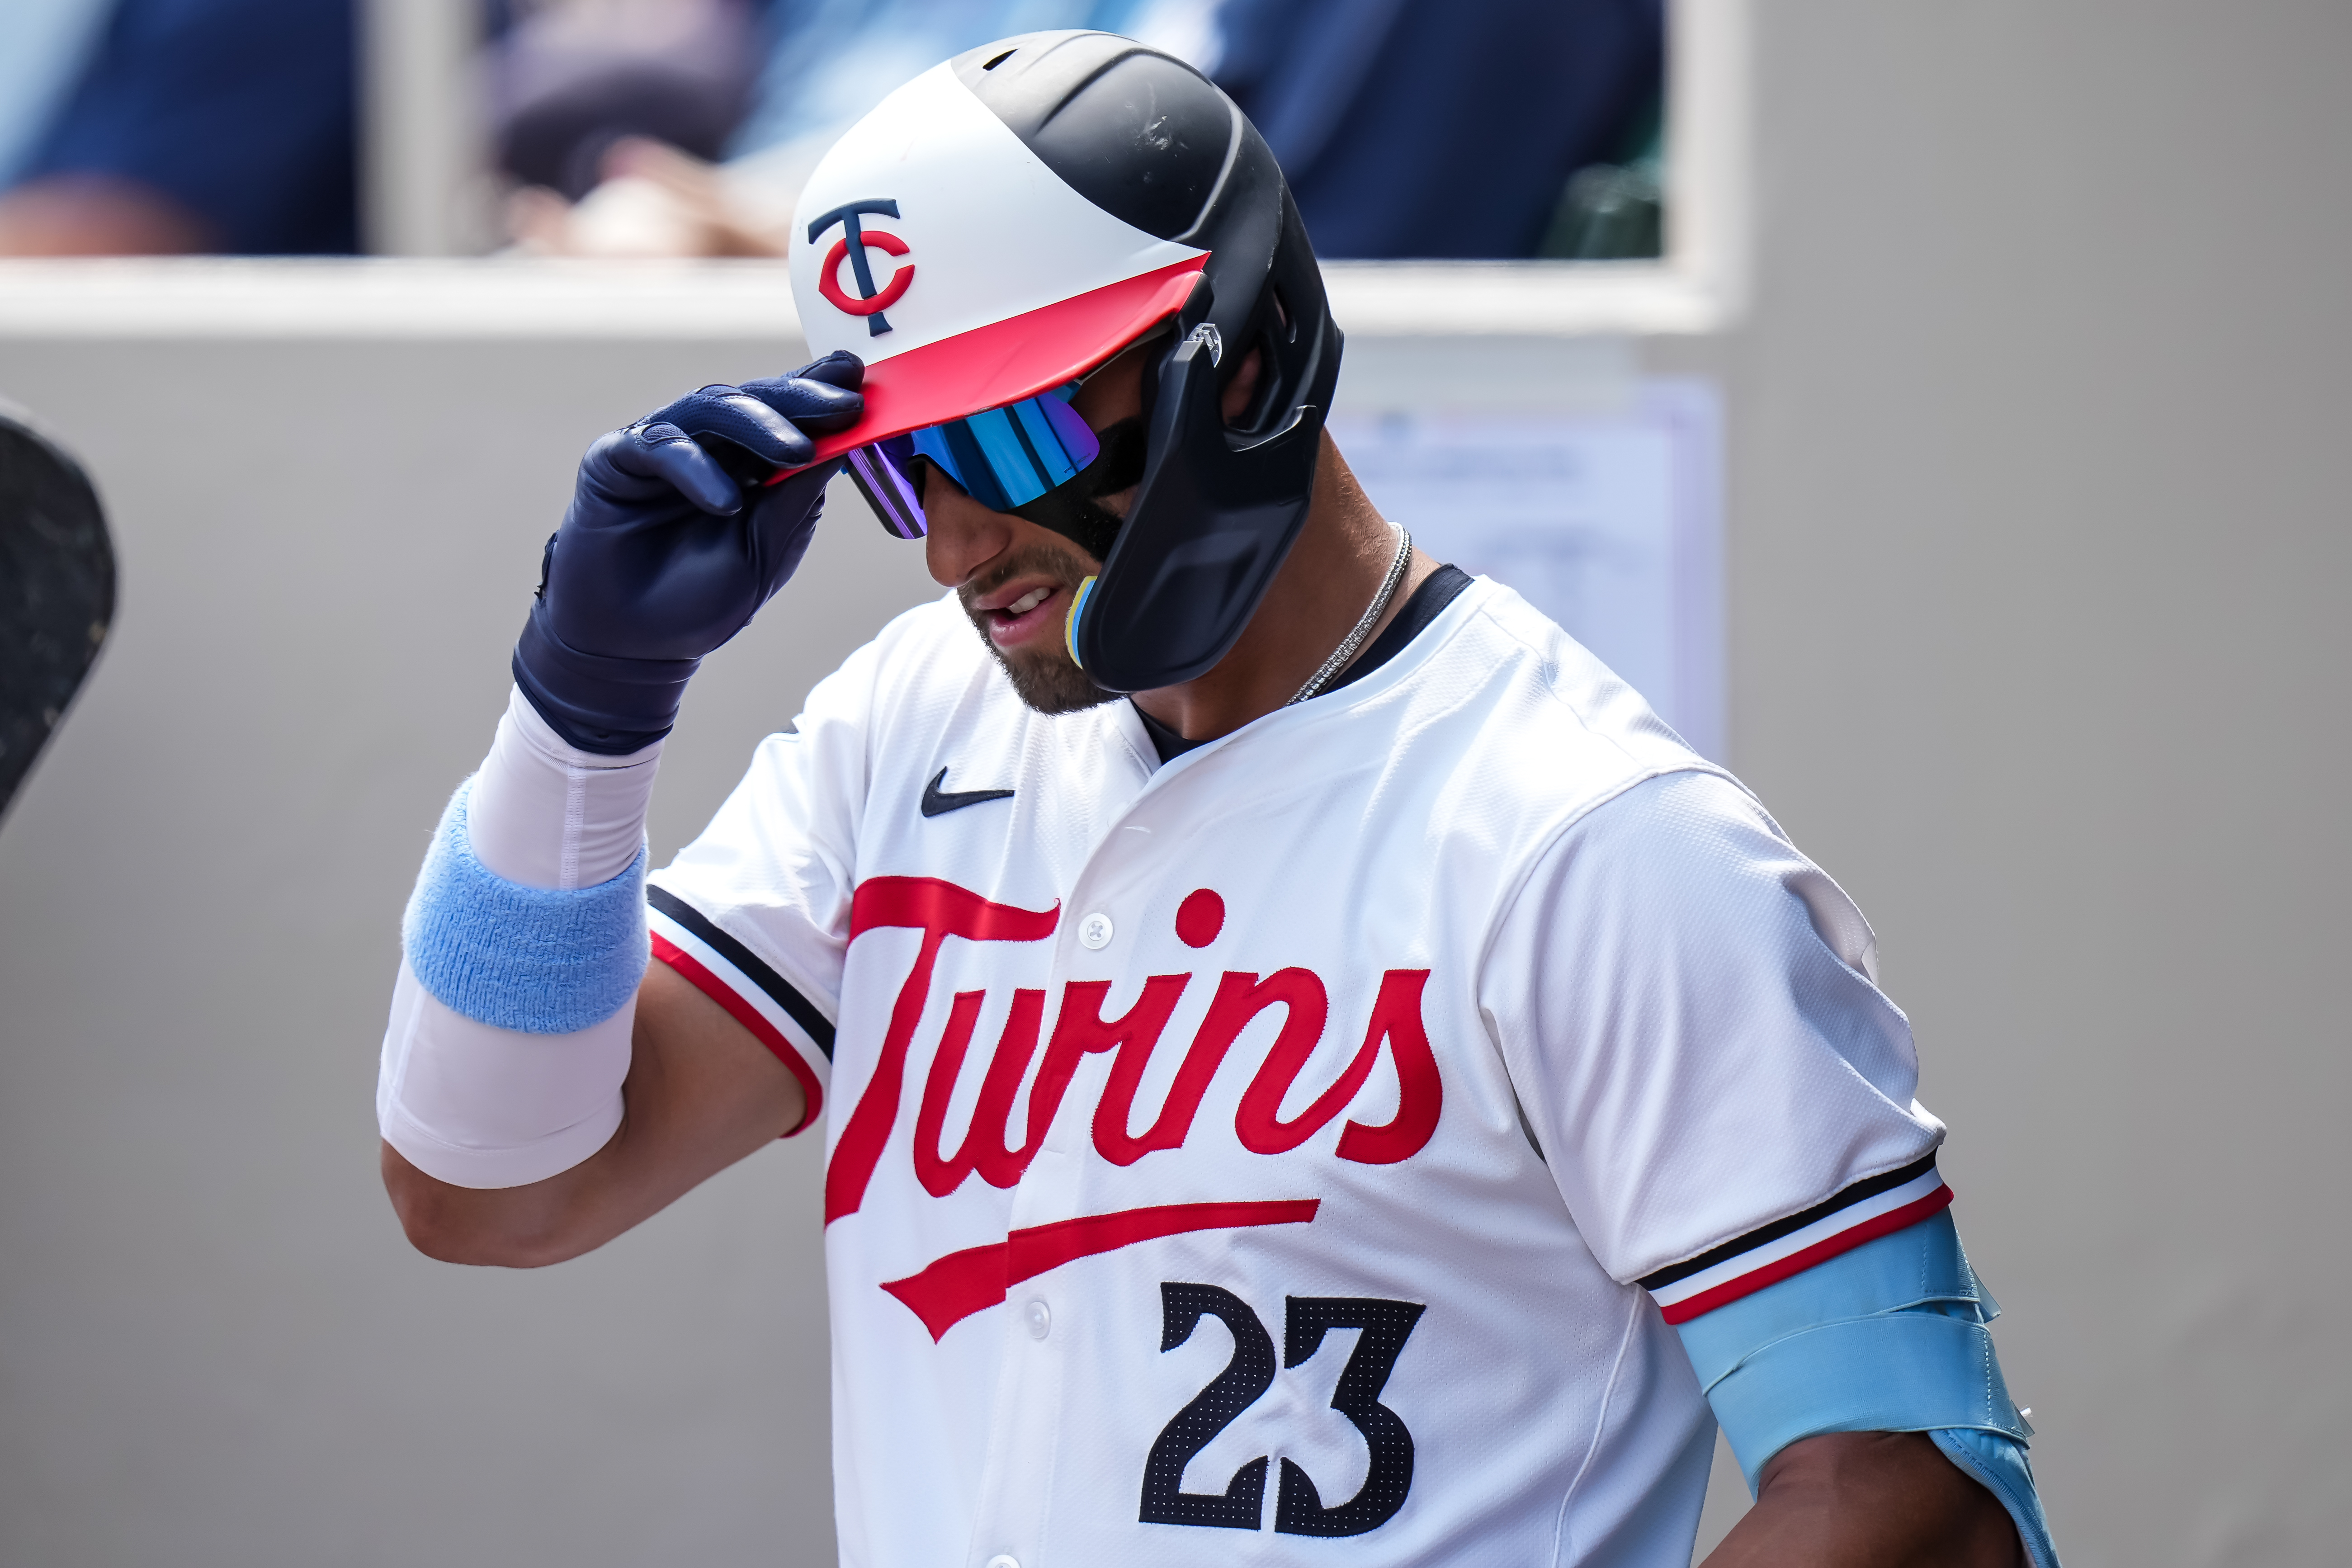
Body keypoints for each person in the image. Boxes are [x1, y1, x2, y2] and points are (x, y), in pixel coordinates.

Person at [378, 32, 2061, 1567]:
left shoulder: (1593, 838)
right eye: (903, 465)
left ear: (1236, 362)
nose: (959, 547)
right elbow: (490, 1186)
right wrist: (581, 718)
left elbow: (1912, 1494)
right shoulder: (904, 728)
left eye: (1017, 436)